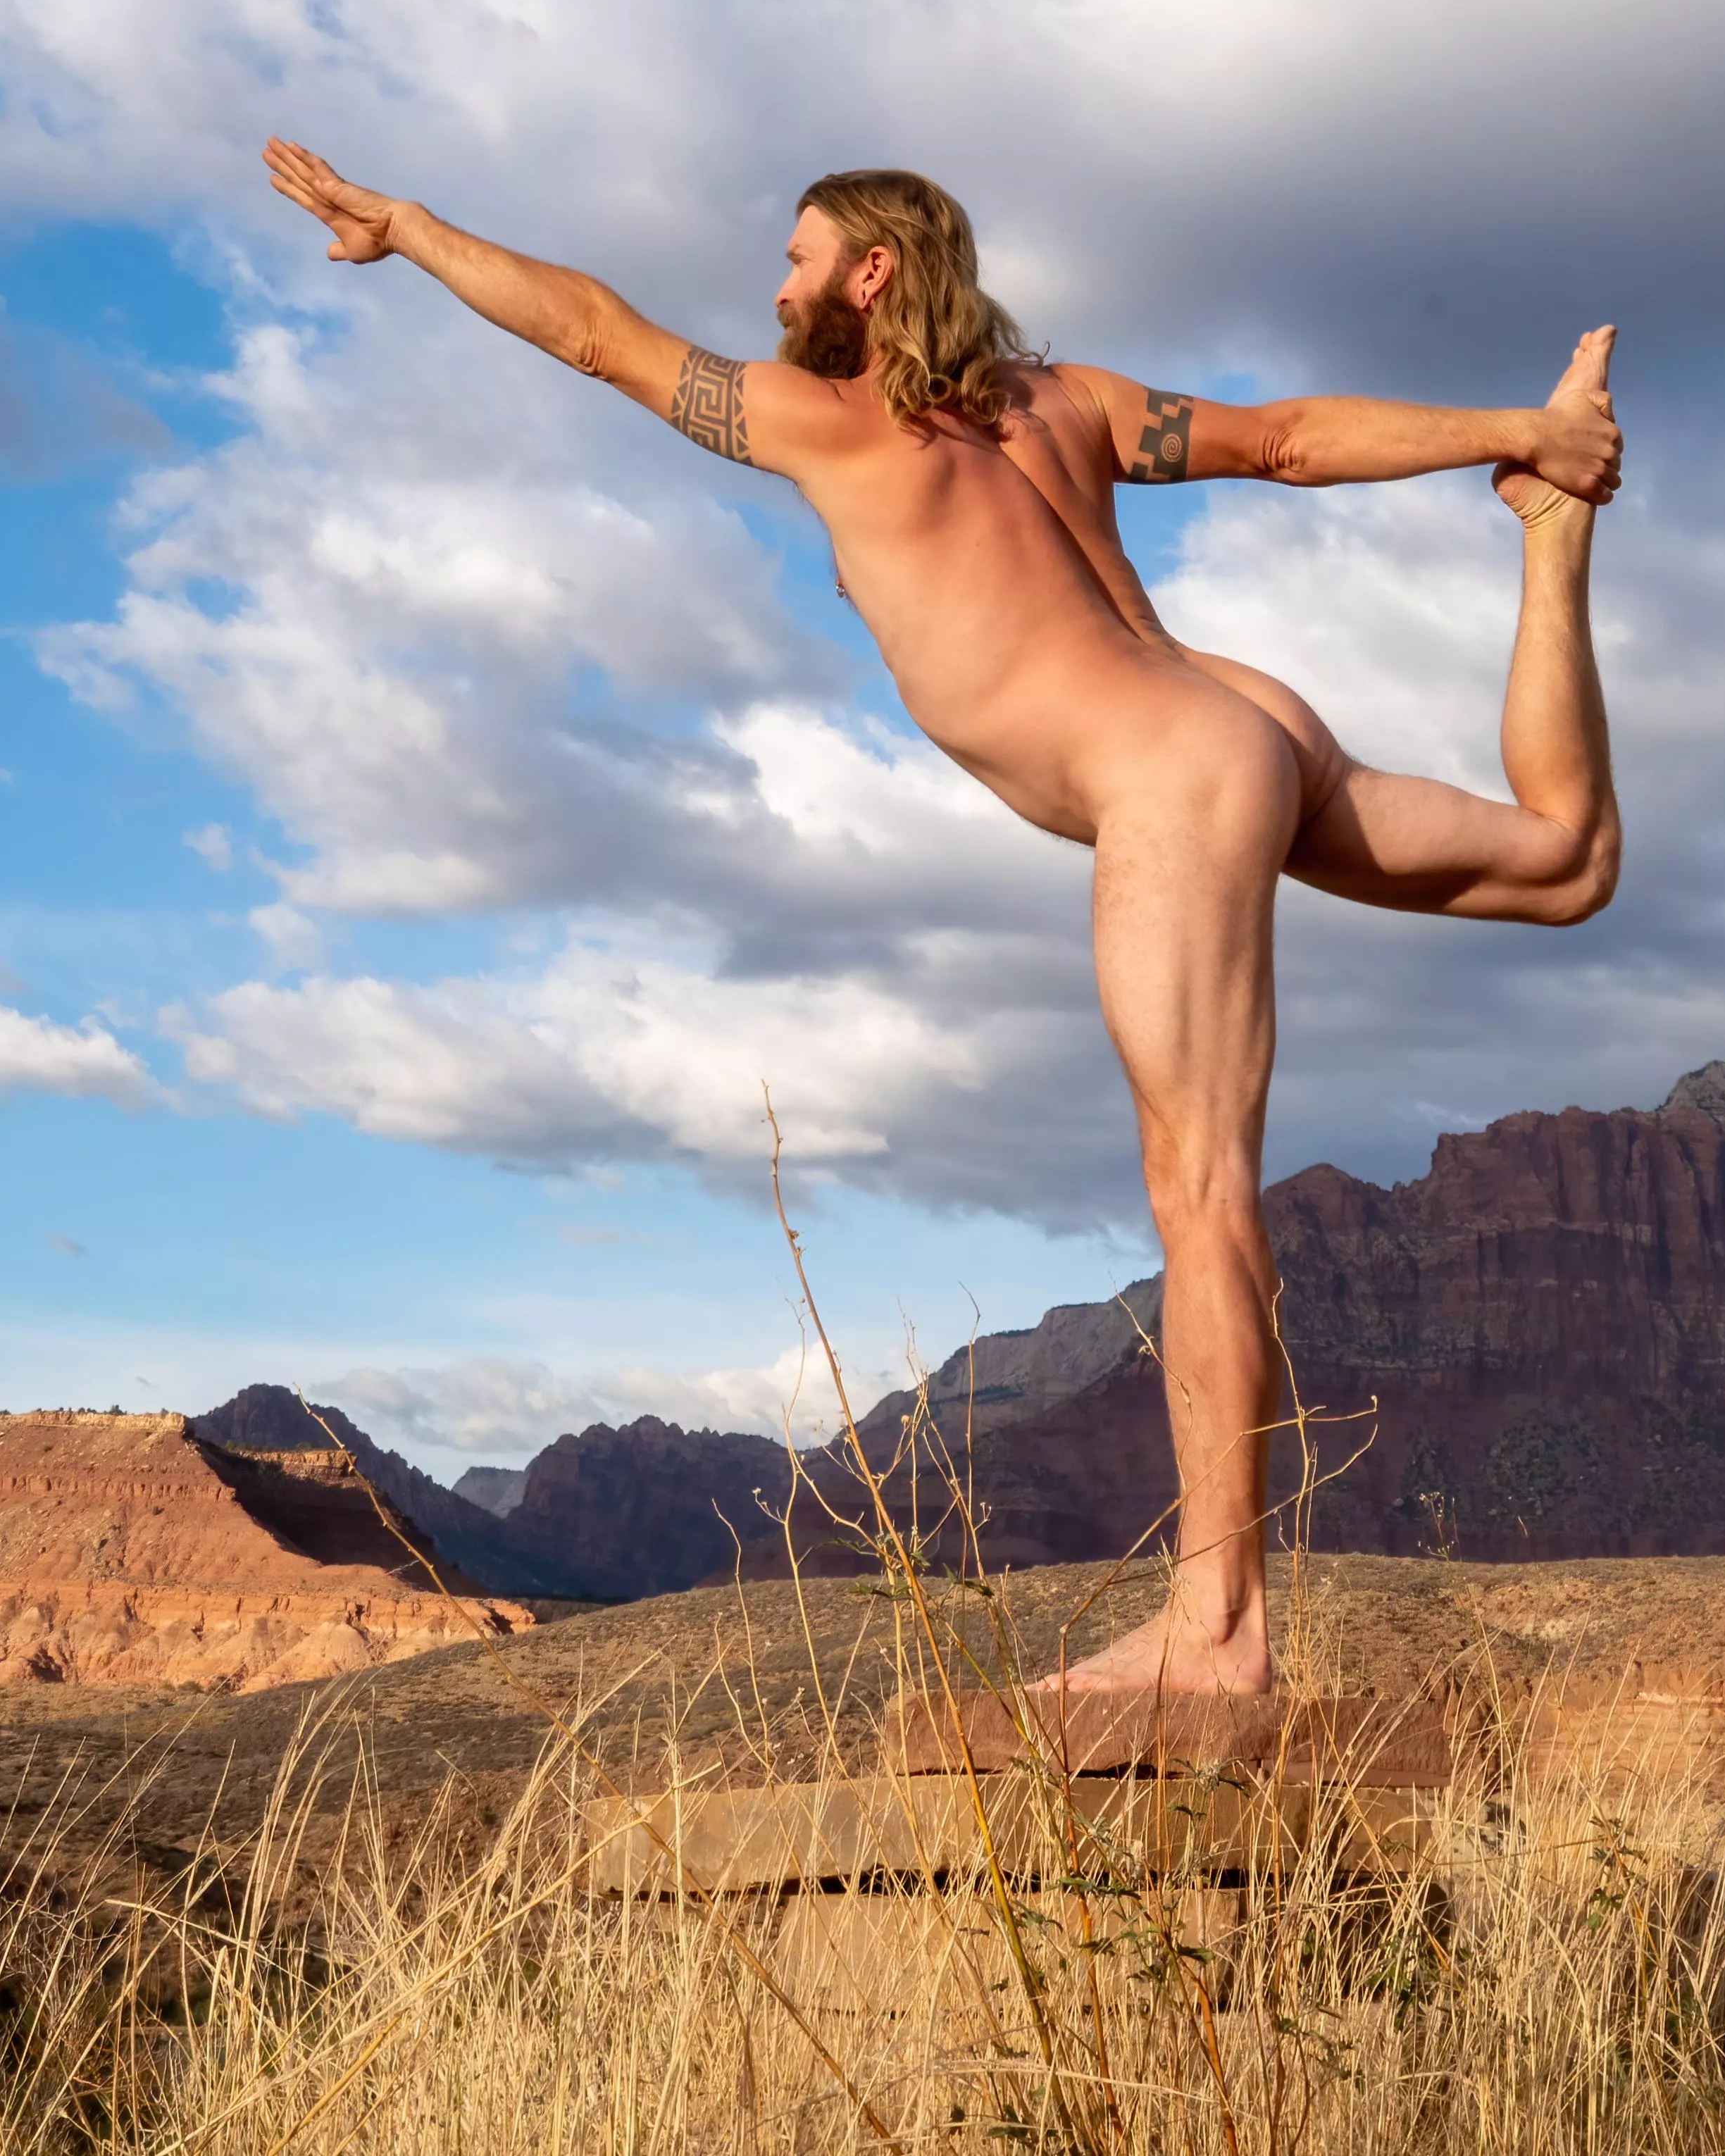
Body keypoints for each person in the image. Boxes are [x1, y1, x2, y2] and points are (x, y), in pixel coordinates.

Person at [259, 140, 1619, 1697]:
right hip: (1239, 721)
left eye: (798, 259)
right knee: (1565, 861)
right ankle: (1549, 532)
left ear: (873, 272)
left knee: (1197, 1193)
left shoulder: (832, 426)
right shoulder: (1071, 403)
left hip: (1168, 774)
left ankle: (1217, 1633)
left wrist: (412, 228)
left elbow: (590, 333)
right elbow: (1291, 441)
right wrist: (1526, 435)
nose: (776, 289)